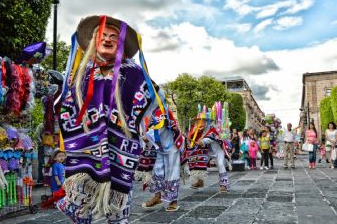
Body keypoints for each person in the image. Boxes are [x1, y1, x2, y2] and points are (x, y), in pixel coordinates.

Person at [57, 15, 165, 223]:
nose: (107, 39)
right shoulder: (82, 74)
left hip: (119, 153)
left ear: (121, 44)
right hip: (85, 154)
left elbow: (155, 98)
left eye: (113, 37)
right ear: (93, 42)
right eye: (102, 36)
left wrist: (135, 120)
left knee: (114, 212)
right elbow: (67, 108)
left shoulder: (134, 73)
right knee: (85, 209)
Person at [142, 108, 183, 212]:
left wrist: (147, 136)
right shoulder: (152, 112)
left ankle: (173, 201)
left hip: (172, 149)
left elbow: (159, 128)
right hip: (159, 148)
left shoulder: (163, 111)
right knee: (156, 171)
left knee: (172, 174)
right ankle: (157, 196)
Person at [186, 113, 229, 193]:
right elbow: (191, 141)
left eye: (203, 122)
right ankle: (200, 181)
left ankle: (224, 184)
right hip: (207, 152)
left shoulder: (212, 129)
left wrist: (202, 142)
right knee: (198, 161)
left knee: (220, 164)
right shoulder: (196, 131)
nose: (200, 124)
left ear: (207, 122)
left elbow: (209, 139)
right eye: (198, 122)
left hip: (218, 151)